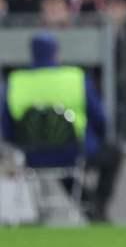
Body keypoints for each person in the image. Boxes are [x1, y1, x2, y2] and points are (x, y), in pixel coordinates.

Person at [1, 32, 119, 222]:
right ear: (56, 53)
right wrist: (96, 139)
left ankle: (92, 208)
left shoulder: (15, 82)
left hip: (32, 156)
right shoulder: (75, 78)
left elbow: (7, 127)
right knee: (111, 153)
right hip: (72, 152)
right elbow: (100, 119)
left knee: (59, 156)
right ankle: (97, 206)